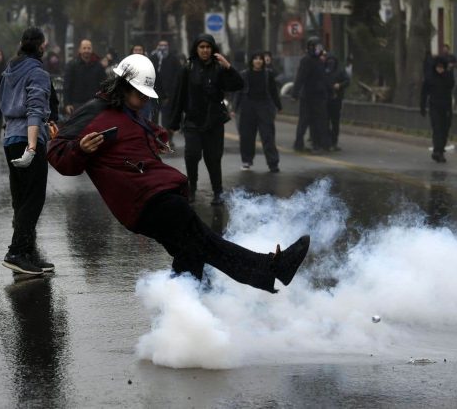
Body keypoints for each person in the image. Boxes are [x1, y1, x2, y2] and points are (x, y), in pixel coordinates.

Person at [48, 54, 309, 293]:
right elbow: (59, 154)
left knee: (192, 253)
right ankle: (271, 268)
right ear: (123, 86)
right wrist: (79, 148)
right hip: (144, 202)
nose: (144, 101)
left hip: (156, 193)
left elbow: (139, 135)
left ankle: (180, 315)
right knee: (206, 244)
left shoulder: (128, 111)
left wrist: (157, 138)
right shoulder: (94, 111)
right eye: (140, 94)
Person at [0, 26, 55, 275]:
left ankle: (27, 253)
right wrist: (34, 145)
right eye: (44, 44)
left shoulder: (9, 69)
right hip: (27, 137)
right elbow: (35, 110)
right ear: (40, 46)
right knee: (33, 198)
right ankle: (16, 252)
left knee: (21, 197)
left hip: (10, 138)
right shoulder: (37, 73)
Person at [169, 34, 243, 205]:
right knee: (192, 155)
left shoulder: (219, 68)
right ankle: (192, 188)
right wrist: (173, 122)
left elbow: (238, 85)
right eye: (201, 47)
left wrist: (228, 67)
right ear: (196, 49)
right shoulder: (187, 68)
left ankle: (218, 192)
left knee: (214, 158)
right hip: (193, 121)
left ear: (213, 49)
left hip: (214, 122)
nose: (205, 50)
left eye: (208, 47)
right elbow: (179, 96)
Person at [236, 52, 282, 172]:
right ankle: (246, 161)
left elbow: (273, 91)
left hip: (264, 107)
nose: (258, 61)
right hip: (248, 107)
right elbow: (239, 92)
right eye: (255, 59)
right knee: (247, 136)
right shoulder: (244, 74)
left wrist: (278, 106)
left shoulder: (268, 74)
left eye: (260, 59)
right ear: (251, 61)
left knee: (268, 136)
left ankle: (273, 163)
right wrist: (234, 108)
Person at [292, 36, 330, 153]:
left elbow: (324, 79)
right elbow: (300, 77)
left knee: (320, 121)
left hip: (319, 96)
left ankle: (320, 144)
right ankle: (299, 143)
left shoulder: (320, 61)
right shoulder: (307, 60)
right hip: (308, 96)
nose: (318, 49)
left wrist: (329, 91)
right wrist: (295, 92)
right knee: (304, 121)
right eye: (315, 47)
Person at [420, 56, 455, 162]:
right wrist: (422, 106)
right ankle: (437, 151)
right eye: (438, 67)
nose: (439, 69)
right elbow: (424, 92)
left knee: (445, 129)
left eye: (441, 67)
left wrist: (446, 73)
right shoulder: (430, 77)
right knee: (437, 128)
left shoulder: (448, 76)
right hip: (434, 106)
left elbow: (451, 84)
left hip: (446, 107)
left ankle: (440, 149)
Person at [63, 39, 106, 116]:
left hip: (94, 104)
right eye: (84, 48)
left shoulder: (99, 66)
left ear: (92, 50)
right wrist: (67, 104)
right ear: (79, 50)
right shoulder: (72, 65)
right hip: (76, 105)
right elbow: (67, 86)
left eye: (89, 48)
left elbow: (104, 85)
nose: (86, 50)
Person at [149, 39, 181, 140]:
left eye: (165, 45)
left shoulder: (173, 59)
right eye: (161, 45)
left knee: (167, 117)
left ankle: (167, 139)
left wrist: (173, 90)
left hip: (169, 93)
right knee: (154, 116)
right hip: (154, 92)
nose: (162, 48)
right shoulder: (153, 58)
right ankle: (154, 137)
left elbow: (178, 75)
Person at [324, 54, 350, 151]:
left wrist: (340, 85)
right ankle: (327, 141)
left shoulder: (340, 71)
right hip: (325, 99)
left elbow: (347, 81)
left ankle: (334, 142)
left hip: (336, 99)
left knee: (335, 122)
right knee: (325, 121)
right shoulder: (324, 70)